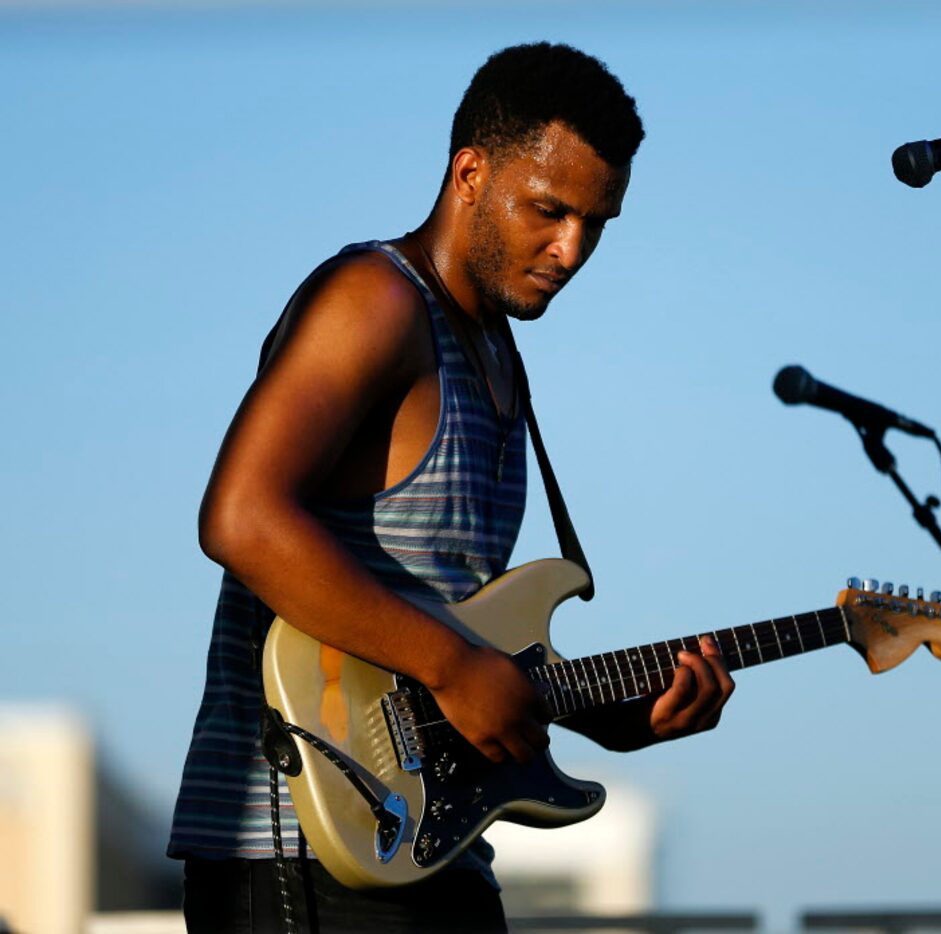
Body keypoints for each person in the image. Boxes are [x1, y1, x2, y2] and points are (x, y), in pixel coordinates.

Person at [167, 42, 735, 933]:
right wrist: (452, 664)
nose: (571, 248)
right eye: (548, 210)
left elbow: (466, 643)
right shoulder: (376, 302)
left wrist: (608, 719)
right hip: (296, 853)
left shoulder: (502, 359)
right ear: (471, 172)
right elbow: (240, 517)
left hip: (435, 848)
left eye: (598, 223)